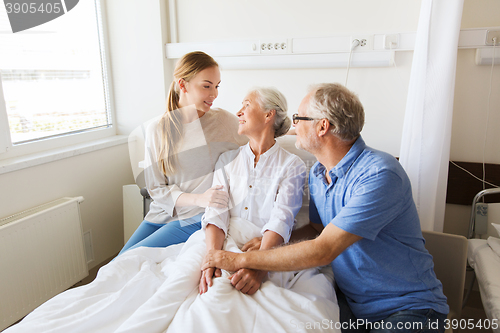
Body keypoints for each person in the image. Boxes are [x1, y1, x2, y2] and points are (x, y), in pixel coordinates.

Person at [202, 83, 449, 332]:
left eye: (299, 118)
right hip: (352, 306)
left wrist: (244, 260)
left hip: (407, 308)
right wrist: (268, 244)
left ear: (323, 126)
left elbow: (324, 249)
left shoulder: (379, 174)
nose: (294, 124)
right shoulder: (319, 174)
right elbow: (318, 229)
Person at [119, 51, 247, 255]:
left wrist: (295, 128)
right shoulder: (157, 130)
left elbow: (261, 135)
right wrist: (199, 198)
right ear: (182, 84)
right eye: (207, 86)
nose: (214, 94)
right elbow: (155, 188)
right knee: (118, 262)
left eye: (217, 86)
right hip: (159, 215)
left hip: (194, 217)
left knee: (129, 260)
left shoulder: (223, 121)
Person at [199, 87, 306, 296]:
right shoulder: (227, 160)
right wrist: (212, 258)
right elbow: (215, 213)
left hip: (263, 251)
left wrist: (259, 267)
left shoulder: (292, 165)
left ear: (268, 114)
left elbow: (281, 219)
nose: (239, 112)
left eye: (246, 105)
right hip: (219, 243)